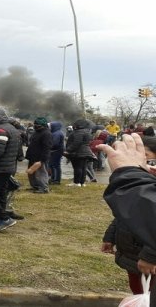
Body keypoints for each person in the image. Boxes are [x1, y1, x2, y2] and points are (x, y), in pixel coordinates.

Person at [97, 134, 156, 305]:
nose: (142, 166)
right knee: (138, 291)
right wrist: (110, 236)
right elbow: (125, 214)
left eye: (149, 161)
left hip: (147, 259)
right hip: (131, 255)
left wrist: (151, 255)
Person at [24, 117, 52, 193]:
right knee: (32, 173)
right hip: (32, 156)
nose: (36, 126)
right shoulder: (36, 132)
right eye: (35, 124)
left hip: (40, 158)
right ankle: (35, 186)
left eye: (38, 125)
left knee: (41, 173)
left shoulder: (46, 133)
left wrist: (42, 159)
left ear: (43, 125)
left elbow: (47, 147)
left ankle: (44, 188)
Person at [64, 119, 93, 187]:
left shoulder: (78, 132)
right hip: (86, 151)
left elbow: (77, 143)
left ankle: (76, 182)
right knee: (83, 167)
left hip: (78, 152)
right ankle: (82, 182)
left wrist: (68, 150)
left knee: (77, 167)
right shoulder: (87, 132)